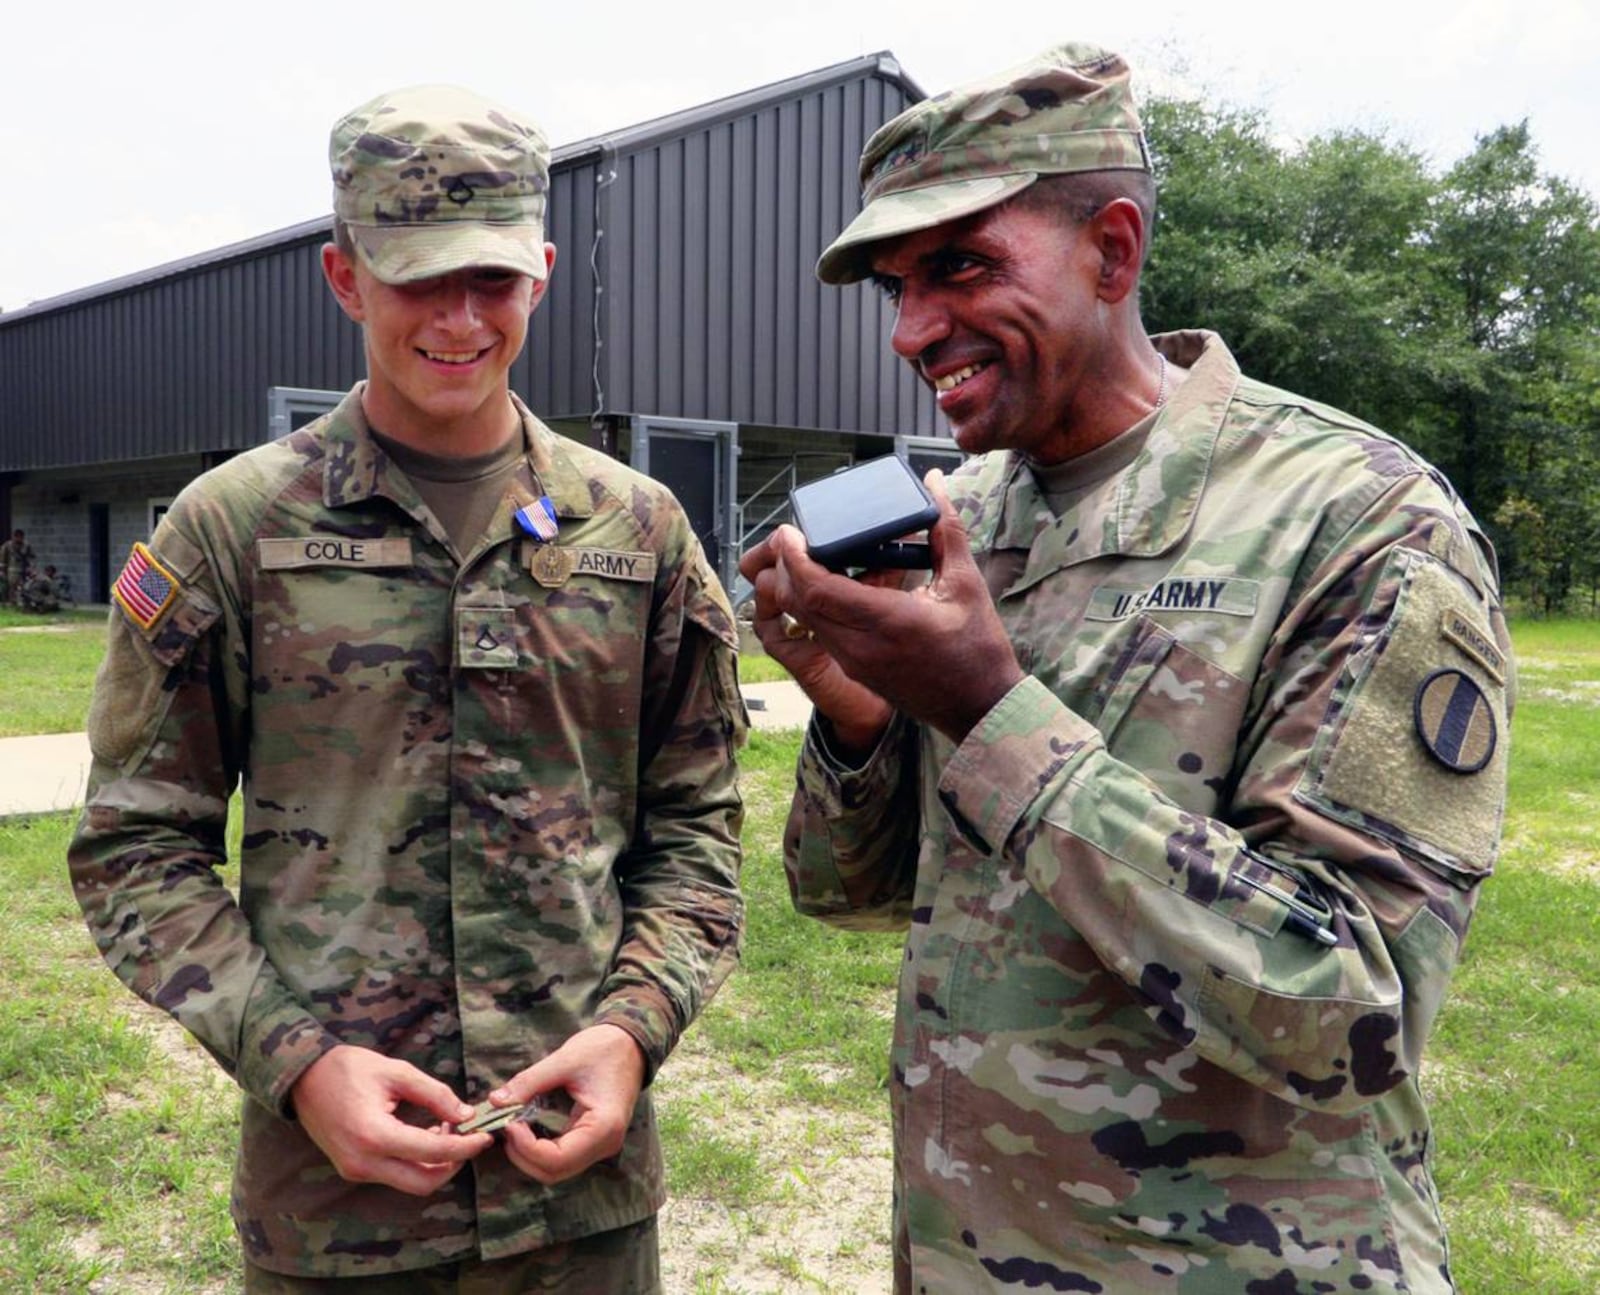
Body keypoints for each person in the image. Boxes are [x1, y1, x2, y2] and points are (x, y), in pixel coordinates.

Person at [741, 42, 1512, 1294]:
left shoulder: (1359, 517)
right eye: (895, 285)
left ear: (1112, 248)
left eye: (960, 267)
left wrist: (988, 713)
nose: (911, 329)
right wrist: (854, 711)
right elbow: (854, 896)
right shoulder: (971, 517)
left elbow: (1354, 1007)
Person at [69, 84, 746, 1293]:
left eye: (491, 280)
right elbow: (135, 847)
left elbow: (695, 826)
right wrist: (297, 1063)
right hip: (336, 1208)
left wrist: (630, 1030)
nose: (458, 317)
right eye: (416, 276)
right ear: (344, 277)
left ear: (540, 272)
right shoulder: (231, 528)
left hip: (577, 1205)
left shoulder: (638, 529)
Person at [1, 527, 32, 605]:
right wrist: (2, 570)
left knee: (24, 587)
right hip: (12, 570)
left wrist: (31, 567)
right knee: (12, 587)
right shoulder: (7, 545)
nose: (19, 539)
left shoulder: (26, 545)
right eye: (17, 537)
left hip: (23, 569)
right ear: (14, 536)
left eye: (21, 537)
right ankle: (12, 602)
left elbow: (31, 557)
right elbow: (2, 558)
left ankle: (24, 602)